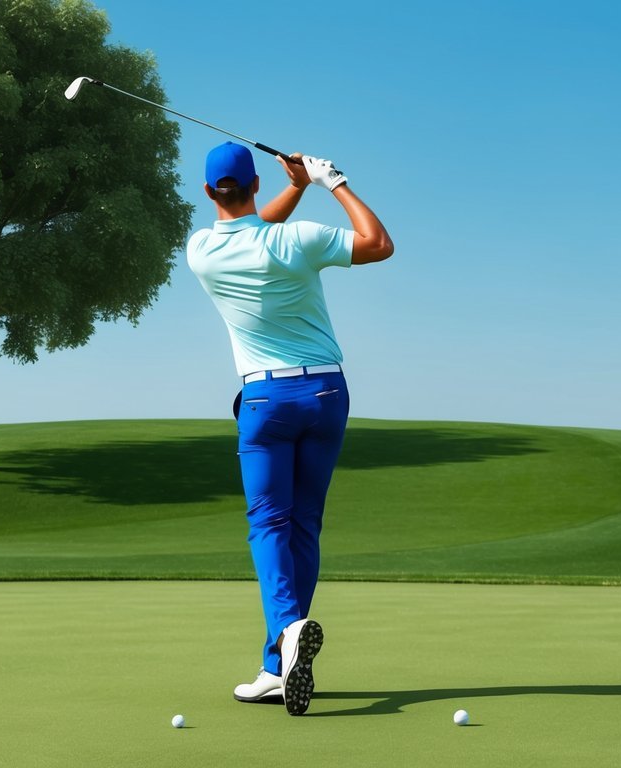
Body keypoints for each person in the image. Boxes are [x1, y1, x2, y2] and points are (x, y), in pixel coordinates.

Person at [186, 141, 394, 715]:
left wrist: (299, 188)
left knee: (268, 523)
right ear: (255, 185)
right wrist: (332, 181)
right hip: (327, 393)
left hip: (266, 400)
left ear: (209, 193)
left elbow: (248, 231)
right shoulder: (299, 240)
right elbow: (380, 244)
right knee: (304, 524)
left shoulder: (200, 251)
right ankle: (277, 667)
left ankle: (286, 630)